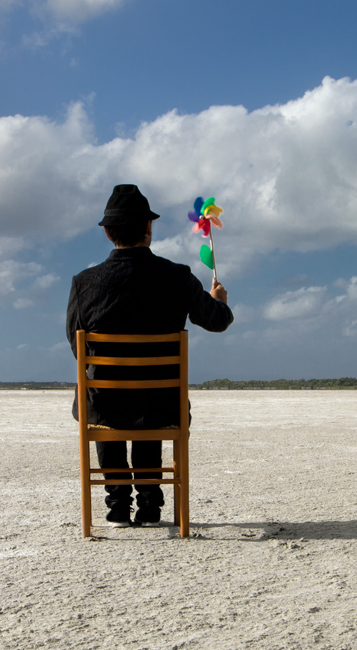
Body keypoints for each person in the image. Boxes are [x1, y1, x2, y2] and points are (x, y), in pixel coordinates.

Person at [66, 184, 233, 526]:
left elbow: (76, 344)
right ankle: (149, 504)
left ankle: (117, 504)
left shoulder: (84, 283)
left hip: (105, 403)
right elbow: (217, 321)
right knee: (150, 399)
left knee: (105, 395)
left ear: (108, 232)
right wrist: (219, 301)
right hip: (162, 404)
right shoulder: (178, 277)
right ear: (148, 228)